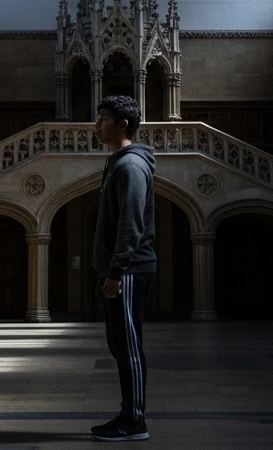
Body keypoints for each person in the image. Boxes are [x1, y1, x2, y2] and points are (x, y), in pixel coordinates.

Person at [89, 95, 156, 442]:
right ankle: (129, 412)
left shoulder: (130, 166)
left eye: (102, 119)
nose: (97, 124)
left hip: (129, 270)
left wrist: (116, 272)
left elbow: (131, 224)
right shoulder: (119, 163)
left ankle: (135, 420)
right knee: (120, 344)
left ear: (121, 124)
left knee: (128, 346)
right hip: (120, 270)